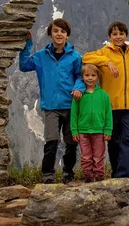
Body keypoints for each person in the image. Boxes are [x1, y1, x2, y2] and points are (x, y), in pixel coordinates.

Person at [82, 21, 129, 178]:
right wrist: (107, 62)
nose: (118, 37)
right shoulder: (104, 52)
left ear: (126, 36)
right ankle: (116, 172)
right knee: (113, 141)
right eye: (114, 34)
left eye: (121, 34)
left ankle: (123, 174)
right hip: (110, 106)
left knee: (127, 139)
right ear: (109, 37)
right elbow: (86, 58)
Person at [19, 18, 85, 184]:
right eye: (55, 31)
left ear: (67, 35)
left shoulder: (75, 57)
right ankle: (48, 175)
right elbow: (24, 65)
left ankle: (68, 173)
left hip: (71, 105)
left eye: (62, 31)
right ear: (50, 34)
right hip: (51, 107)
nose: (59, 34)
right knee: (51, 142)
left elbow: (80, 76)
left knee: (71, 143)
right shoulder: (42, 56)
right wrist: (28, 44)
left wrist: (79, 88)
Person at [70, 64, 113, 183]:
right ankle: (88, 176)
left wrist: (108, 130)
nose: (90, 78)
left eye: (93, 75)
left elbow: (108, 114)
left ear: (98, 77)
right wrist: (74, 130)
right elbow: (74, 114)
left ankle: (99, 175)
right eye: (87, 75)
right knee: (86, 156)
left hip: (99, 131)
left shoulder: (104, 95)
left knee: (98, 155)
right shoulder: (78, 95)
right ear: (82, 77)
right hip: (83, 131)